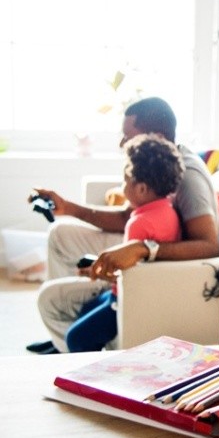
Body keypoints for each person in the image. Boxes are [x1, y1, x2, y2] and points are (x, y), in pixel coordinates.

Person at [28, 97, 219, 354]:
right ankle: (63, 336)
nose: (121, 143)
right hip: (145, 241)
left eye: (128, 136)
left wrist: (143, 248)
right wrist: (68, 208)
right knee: (60, 233)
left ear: (159, 136)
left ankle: (69, 343)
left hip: (157, 259)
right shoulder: (158, 164)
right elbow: (127, 217)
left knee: (62, 309)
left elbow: (210, 246)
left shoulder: (188, 177)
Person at [65, 134, 184, 352]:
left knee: (75, 338)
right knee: (85, 310)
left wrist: (98, 270)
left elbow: (128, 276)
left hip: (126, 299)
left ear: (141, 189)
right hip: (144, 292)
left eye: (125, 180)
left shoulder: (139, 224)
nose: (123, 186)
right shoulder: (170, 211)